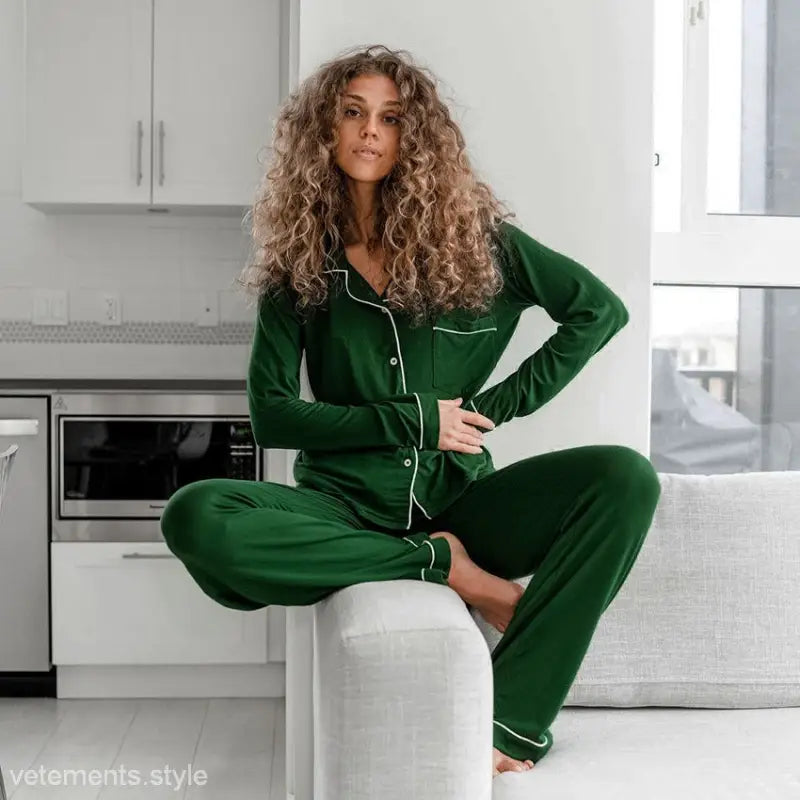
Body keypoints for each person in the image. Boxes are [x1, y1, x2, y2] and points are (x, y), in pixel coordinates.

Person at [159, 44, 662, 778]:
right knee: (195, 517)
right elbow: (272, 416)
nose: (370, 131)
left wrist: (490, 410)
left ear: (414, 138)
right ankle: (442, 567)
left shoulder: (482, 248)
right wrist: (411, 420)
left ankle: (514, 719)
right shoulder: (299, 269)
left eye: (391, 119)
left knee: (624, 478)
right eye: (353, 113)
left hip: (462, 499)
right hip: (341, 508)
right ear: (323, 133)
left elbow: (597, 312)